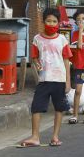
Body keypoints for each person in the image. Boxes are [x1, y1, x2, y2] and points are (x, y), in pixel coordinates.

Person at [20, 8, 72, 147]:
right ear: (43, 22)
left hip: (59, 79)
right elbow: (35, 57)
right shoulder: (37, 39)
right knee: (36, 107)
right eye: (48, 20)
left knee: (59, 108)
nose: (51, 23)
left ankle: (55, 136)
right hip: (43, 80)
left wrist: (68, 81)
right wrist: (37, 65)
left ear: (58, 23)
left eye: (54, 21)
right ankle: (35, 136)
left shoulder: (62, 40)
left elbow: (66, 61)